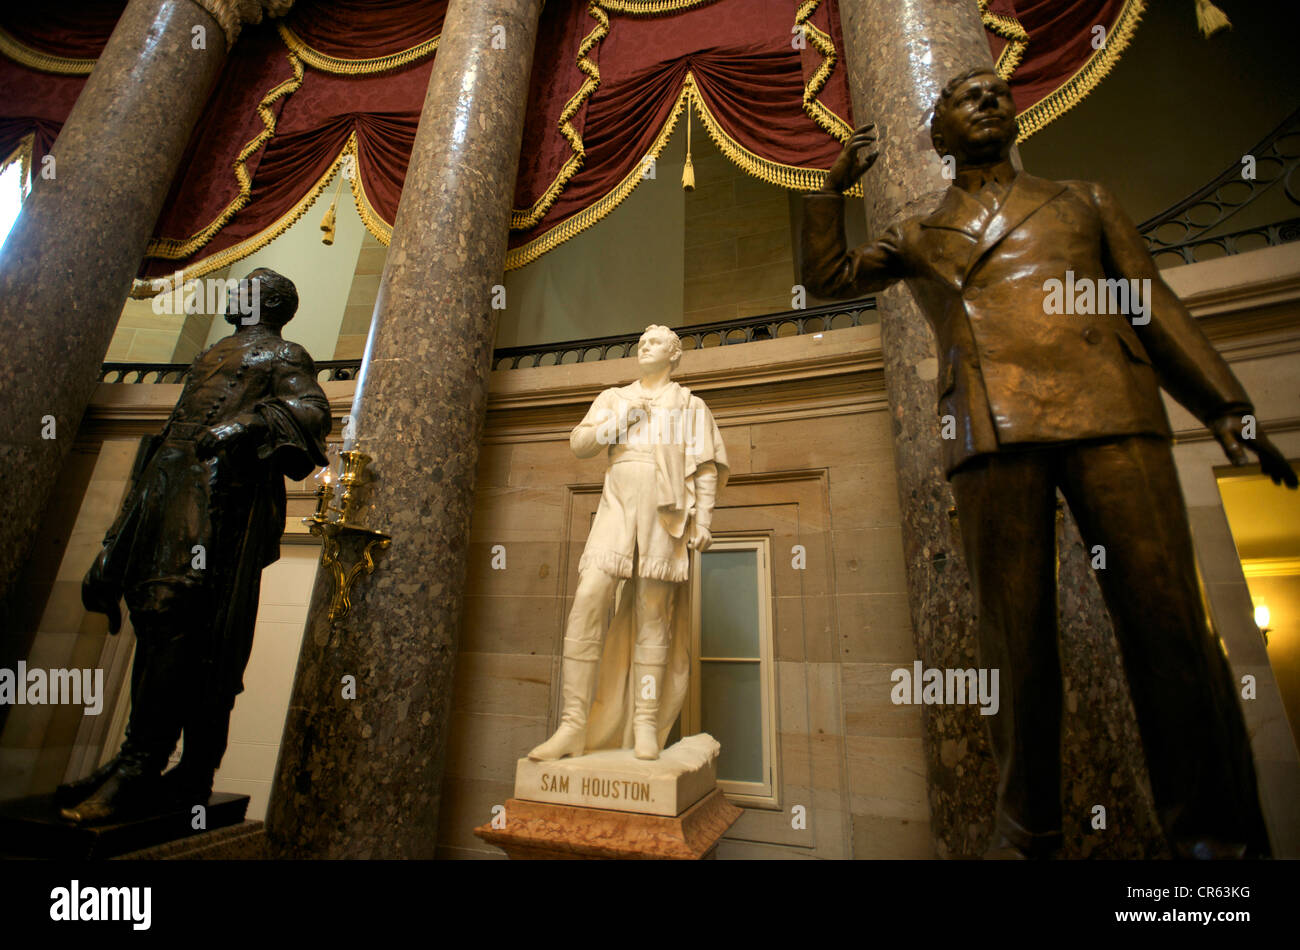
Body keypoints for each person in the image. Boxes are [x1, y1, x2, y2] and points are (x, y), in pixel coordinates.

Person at [801, 67, 1297, 859]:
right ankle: (1027, 833)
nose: (990, 97)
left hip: (1111, 409)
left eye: (999, 89)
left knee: (1168, 625)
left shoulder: (1083, 199)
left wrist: (1225, 406)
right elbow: (824, 281)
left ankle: (1213, 845)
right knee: (1013, 644)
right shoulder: (919, 232)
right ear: (938, 135)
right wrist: (829, 188)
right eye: (967, 95)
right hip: (991, 427)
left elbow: (1149, 301)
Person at [63, 267, 331, 823]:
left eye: (245, 291)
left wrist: (247, 427)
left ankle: (157, 763)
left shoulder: (286, 355)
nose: (233, 295)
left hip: (222, 499)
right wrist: (123, 528)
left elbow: (311, 411)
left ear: (269, 304)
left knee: (188, 621)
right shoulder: (212, 351)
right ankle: (136, 758)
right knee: (153, 614)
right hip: (169, 482)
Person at [529, 325, 728, 762]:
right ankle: (572, 726)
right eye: (641, 341)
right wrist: (621, 421)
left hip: (665, 511)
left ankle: (644, 723)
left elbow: (707, 466)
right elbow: (579, 444)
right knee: (588, 598)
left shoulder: (690, 405)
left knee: (652, 614)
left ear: (675, 355)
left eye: (655, 342)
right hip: (617, 505)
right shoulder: (613, 397)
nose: (644, 346)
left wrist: (705, 520)